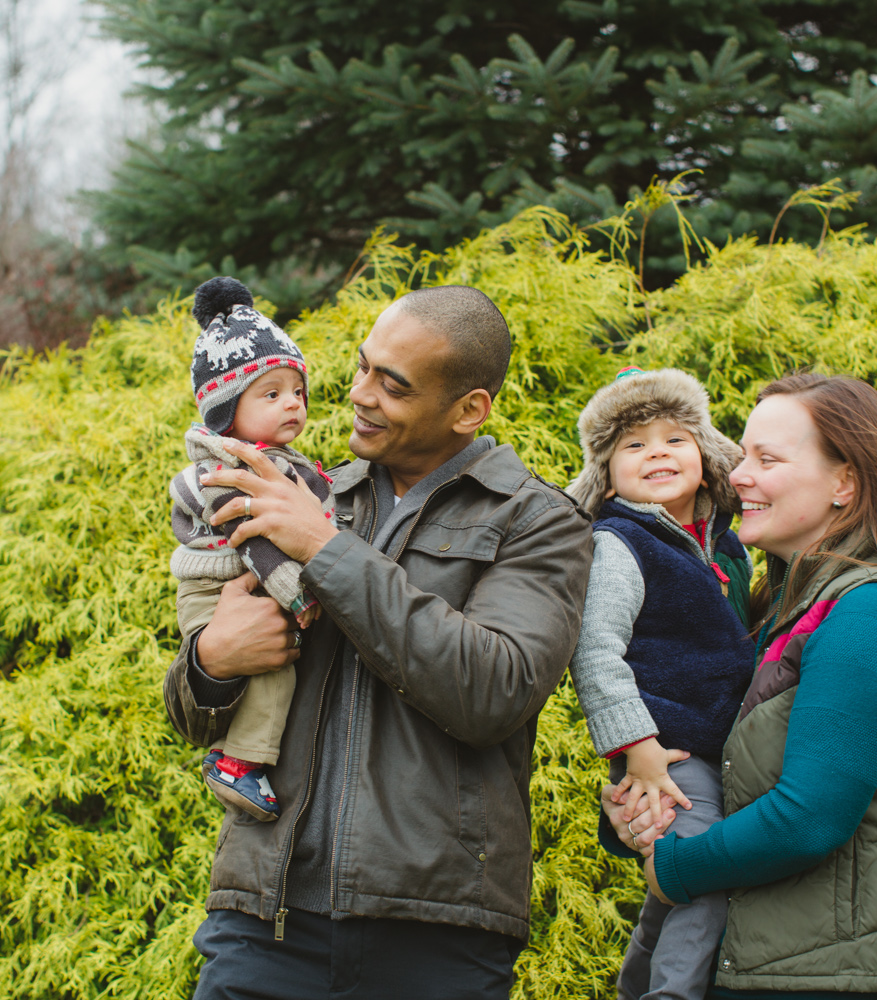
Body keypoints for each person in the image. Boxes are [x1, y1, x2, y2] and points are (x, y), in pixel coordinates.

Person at [162, 285, 594, 1000]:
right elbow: (192, 717)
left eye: (391, 385)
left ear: (468, 409)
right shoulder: (310, 491)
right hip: (263, 921)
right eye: (362, 368)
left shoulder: (539, 523)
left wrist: (324, 550)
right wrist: (212, 663)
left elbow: (493, 690)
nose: (359, 394)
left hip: (436, 933)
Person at [612, 372, 877, 999]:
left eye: (766, 459)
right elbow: (731, 775)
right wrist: (649, 807)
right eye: (742, 454)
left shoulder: (873, 614)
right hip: (776, 962)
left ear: (846, 482)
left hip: (829, 977)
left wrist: (675, 866)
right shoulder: (783, 608)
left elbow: (809, 818)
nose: (737, 475)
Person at [564, 366, 755, 1000]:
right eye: (634, 445)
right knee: (702, 879)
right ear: (605, 472)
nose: (658, 455)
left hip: (711, 745)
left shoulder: (725, 546)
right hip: (665, 747)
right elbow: (594, 652)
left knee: (668, 888)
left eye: (675, 439)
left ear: (705, 451)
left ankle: (635, 988)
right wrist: (636, 749)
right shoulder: (620, 543)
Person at [168, 276, 334, 821]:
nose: (292, 405)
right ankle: (237, 763)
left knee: (277, 660)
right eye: (271, 393)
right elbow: (255, 537)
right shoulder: (223, 472)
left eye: (297, 392)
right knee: (273, 670)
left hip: (246, 584)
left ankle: (243, 759)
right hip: (217, 590)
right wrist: (297, 595)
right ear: (224, 411)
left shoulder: (279, 463)